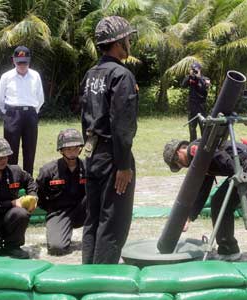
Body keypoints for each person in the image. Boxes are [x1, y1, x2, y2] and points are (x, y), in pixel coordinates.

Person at [163, 139, 247, 261]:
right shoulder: (198, 157)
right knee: (219, 201)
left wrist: (238, 173)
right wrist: (189, 217)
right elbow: (203, 189)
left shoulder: (195, 149)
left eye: (177, 161)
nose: (180, 166)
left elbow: (220, 155)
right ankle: (228, 250)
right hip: (239, 169)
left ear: (179, 151)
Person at [80, 15, 138, 264]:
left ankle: (87, 279)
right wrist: (123, 165)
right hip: (114, 156)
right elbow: (122, 125)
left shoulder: (91, 74)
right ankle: (102, 283)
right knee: (113, 221)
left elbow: (84, 117)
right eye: (127, 38)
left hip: (92, 153)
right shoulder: (121, 75)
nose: (129, 42)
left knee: (93, 218)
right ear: (117, 43)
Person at [36, 128, 86, 256]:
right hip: (59, 212)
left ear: (80, 148)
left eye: (75, 148)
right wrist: (51, 210)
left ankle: (96, 234)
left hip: (83, 209)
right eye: (68, 149)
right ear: (61, 150)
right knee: (56, 248)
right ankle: (60, 229)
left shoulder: (88, 168)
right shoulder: (48, 171)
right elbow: (39, 194)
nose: (72, 152)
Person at [0, 45, 44, 176]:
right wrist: (8, 113)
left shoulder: (35, 76)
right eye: (19, 63)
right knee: (11, 150)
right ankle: (12, 180)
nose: (22, 66)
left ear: (29, 61)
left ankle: (28, 179)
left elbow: (40, 98)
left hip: (30, 114)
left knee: (30, 149)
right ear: (13, 61)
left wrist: (32, 111)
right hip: (13, 114)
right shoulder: (6, 77)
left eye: (25, 62)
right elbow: (0, 99)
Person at [181, 62, 210, 142]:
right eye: (193, 69)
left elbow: (205, 87)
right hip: (192, 106)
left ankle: (204, 144)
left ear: (200, 70)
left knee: (203, 127)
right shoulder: (190, 78)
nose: (194, 71)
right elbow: (183, 85)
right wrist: (190, 76)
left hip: (201, 106)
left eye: (196, 70)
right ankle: (192, 144)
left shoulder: (205, 79)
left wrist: (199, 77)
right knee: (192, 127)